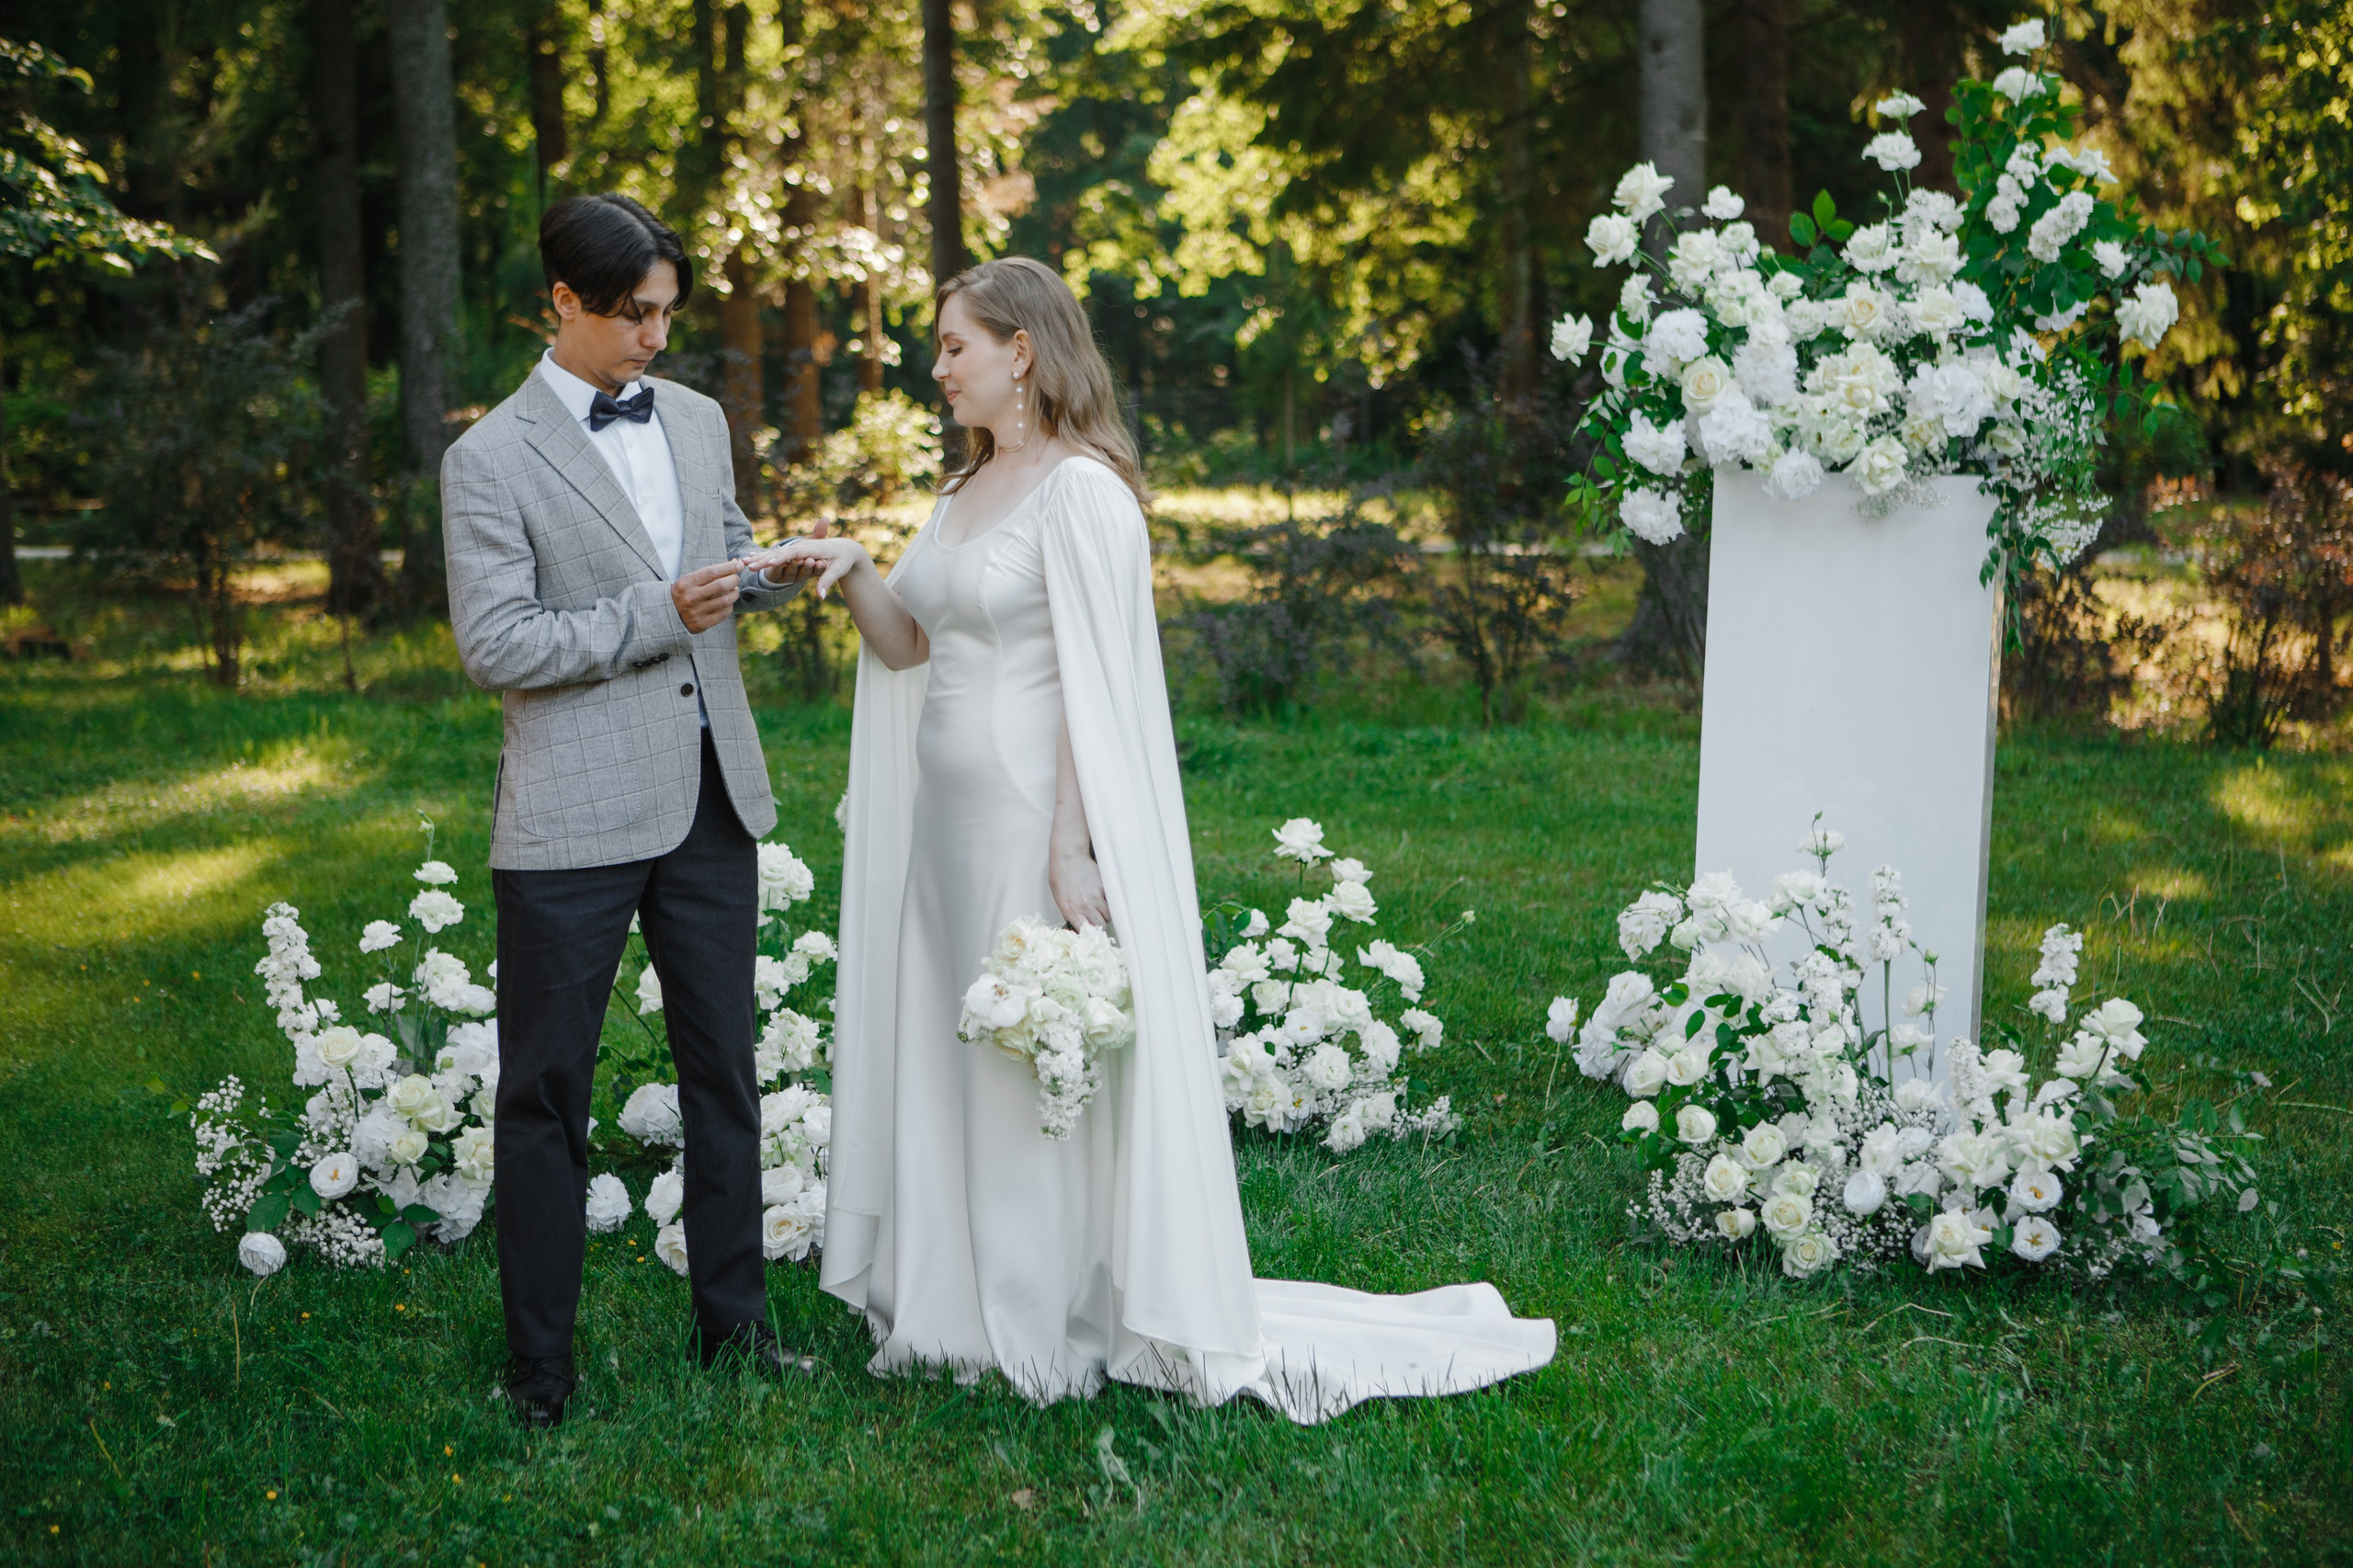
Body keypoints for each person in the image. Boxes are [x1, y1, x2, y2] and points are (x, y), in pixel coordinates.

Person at [758, 257, 1554, 1423]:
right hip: (945, 830)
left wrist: (1073, 848)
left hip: (1029, 819)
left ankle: (1034, 1316)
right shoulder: (964, 490)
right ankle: (949, 1302)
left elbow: (1102, 686)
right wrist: (856, 571)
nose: (936, 370)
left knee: (1024, 1060)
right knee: (954, 1044)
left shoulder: (1081, 492)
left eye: (952, 347)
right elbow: (909, 649)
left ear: (1021, 350)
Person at [442, 193, 813, 1430]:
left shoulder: (699, 419)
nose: (657, 337)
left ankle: (737, 1327)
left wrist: (765, 571)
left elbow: (718, 550)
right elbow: (498, 644)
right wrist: (667, 609)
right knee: (546, 1092)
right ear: (564, 303)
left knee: (727, 1072)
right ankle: (540, 1369)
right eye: (633, 315)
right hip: (571, 814)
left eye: (667, 312)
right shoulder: (487, 458)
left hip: (712, 793)